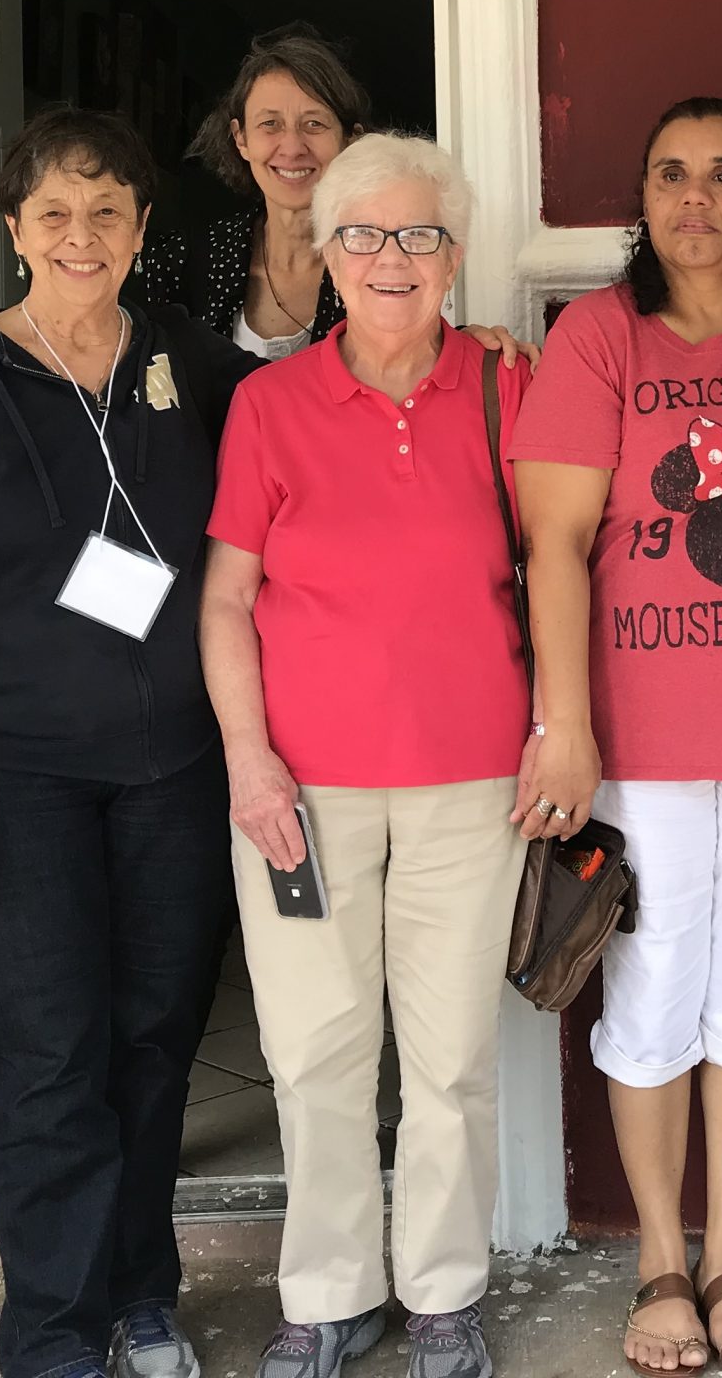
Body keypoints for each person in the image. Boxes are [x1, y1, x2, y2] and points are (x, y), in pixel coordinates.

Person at [0, 107, 254, 1378]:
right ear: (12, 227)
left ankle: (140, 1298)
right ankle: (57, 1335)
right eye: (54, 213)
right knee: (48, 1054)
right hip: (9, 777)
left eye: (108, 212)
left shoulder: (194, 366)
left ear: (143, 227)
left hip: (176, 777)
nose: (82, 237)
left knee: (149, 1045)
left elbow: (310, 458)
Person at [509, 97, 722, 1378]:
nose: (694, 198)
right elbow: (555, 547)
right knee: (649, 996)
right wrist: (566, 727)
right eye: (670, 175)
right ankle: (659, 1259)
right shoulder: (598, 336)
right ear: (641, 202)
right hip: (636, 739)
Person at [199, 132, 531, 1378]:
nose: (392, 260)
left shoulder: (509, 388)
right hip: (303, 793)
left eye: (419, 236)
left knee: (448, 1062)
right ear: (327, 252)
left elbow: (559, 569)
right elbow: (227, 599)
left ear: (454, 254)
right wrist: (248, 756)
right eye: (365, 235)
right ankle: (329, 1294)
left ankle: (443, 1292)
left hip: (472, 783)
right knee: (315, 1053)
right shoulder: (268, 406)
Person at [136, 24, 370, 359]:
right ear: (241, 138)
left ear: (350, 140)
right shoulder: (183, 261)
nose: (291, 147)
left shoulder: (380, 260)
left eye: (314, 123)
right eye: (269, 124)